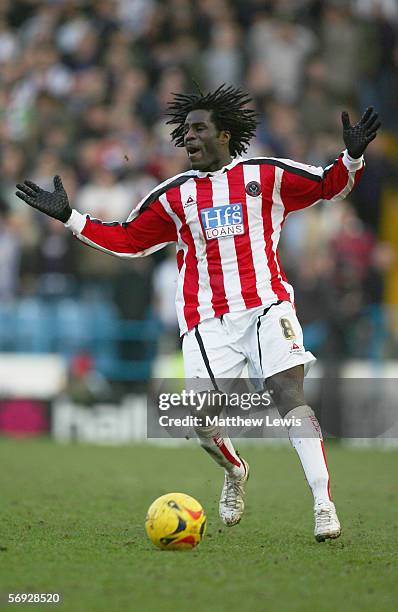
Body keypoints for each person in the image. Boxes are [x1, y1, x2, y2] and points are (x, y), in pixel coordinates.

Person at [16, 84, 380, 541]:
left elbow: (330, 186)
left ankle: (323, 503)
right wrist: (71, 217)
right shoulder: (173, 196)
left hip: (267, 304)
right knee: (203, 424)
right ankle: (235, 470)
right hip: (206, 320)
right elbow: (129, 240)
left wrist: (351, 159)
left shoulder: (264, 176)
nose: (187, 137)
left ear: (224, 134)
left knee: (288, 393)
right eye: (185, 130)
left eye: (198, 129)